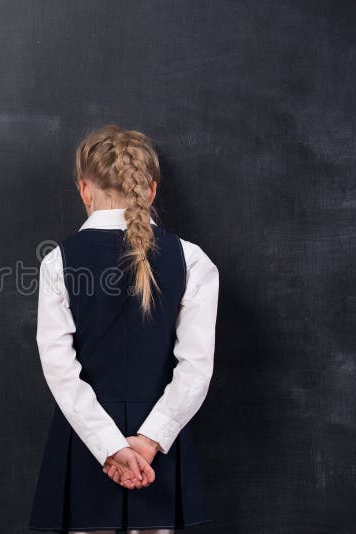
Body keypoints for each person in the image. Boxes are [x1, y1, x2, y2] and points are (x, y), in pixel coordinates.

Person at [28, 124, 219, 533]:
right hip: (158, 449)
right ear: (151, 190)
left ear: (84, 190)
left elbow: (60, 370)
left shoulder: (57, 262)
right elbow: (195, 370)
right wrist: (147, 442)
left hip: (85, 443)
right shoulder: (193, 260)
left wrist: (110, 447)